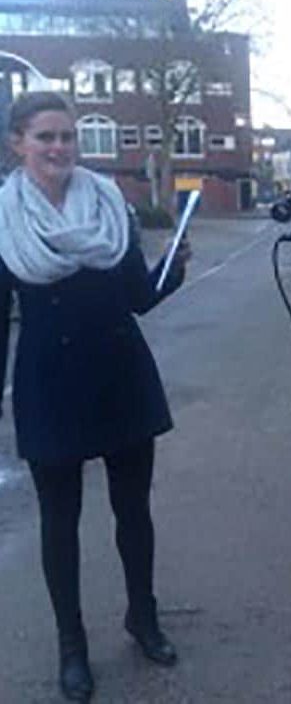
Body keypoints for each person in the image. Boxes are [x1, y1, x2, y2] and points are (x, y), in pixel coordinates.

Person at [0, 92, 190, 703]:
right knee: (60, 524)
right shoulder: (4, 220)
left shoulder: (109, 204)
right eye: (45, 137)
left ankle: (143, 617)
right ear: (18, 144)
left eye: (67, 136)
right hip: (49, 384)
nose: (59, 147)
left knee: (133, 511)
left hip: (120, 374)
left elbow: (137, 297)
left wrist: (171, 270)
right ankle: (72, 647)